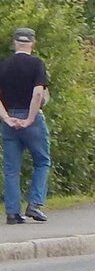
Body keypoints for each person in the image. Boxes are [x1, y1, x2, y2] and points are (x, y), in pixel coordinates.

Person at [0, 28, 52, 224]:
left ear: (14, 44)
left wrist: (6, 118)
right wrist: (30, 118)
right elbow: (38, 94)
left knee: (12, 168)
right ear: (33, 43)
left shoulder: (3, 65)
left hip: (10, 119)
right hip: (31, 119)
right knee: (42, 161)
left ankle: (12, 213)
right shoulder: (37, 64)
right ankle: (35, 204)